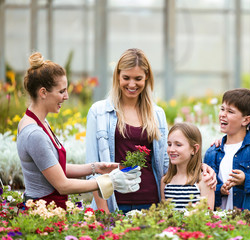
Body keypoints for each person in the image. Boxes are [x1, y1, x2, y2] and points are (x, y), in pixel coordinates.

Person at [86, 48, 216, 214]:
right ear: (117, 76)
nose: (132, 84)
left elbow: (166, 160)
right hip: (114, 202)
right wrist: (104, 214)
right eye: (126, 78)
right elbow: (93, 168)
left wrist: (200, 166)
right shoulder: (99, 112)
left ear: (146, 78)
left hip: (152, 202)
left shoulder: (156, 114)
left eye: (138, 78)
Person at [16, 52, 142, 210]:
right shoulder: (34, 133)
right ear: (43, 92)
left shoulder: (37, 122)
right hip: (42, 214)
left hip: (49, 210)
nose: (66, 96)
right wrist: (109, 181)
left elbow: (54, 167)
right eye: (61, 91)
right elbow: (62, 185)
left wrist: (96, 167)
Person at [204, 89, 250, 210]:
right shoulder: (212, 152)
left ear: (246, 120)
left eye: (230, 111)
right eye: (222, 109)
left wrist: (246, 180)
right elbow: (204, 191)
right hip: (217, 223)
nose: (223, 114)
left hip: (246, 224)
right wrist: (220, 190)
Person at [161, 123, 214, 210]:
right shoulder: (165, 181)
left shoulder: (204, 181)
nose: (171, 149)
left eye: (178, 145)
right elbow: (163, 215)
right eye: (169, 144)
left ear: (194, 149)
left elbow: (208, 216)